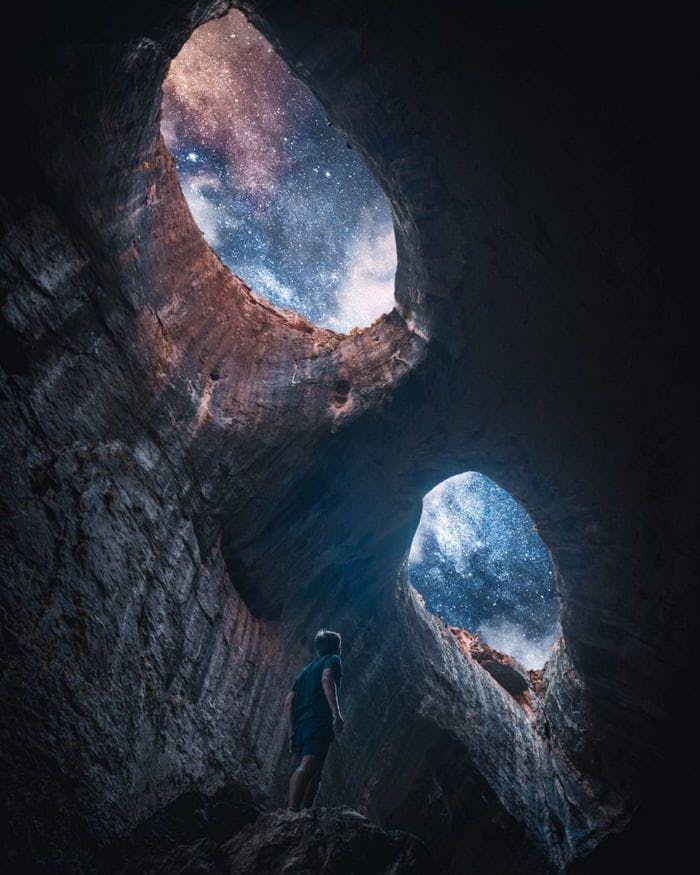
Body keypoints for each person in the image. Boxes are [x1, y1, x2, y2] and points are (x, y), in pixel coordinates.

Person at [284, 629, 344, 811]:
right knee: (308, 766)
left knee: (316, 773)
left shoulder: (305, 671)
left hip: (301, 725)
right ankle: (292, 813)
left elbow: (288, 702)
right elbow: (327, 679)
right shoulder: (333, 659)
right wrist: (336, 713)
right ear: (337, 648)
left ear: (319, 649)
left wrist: (291, 732)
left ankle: (307, 812)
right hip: (317, 721)